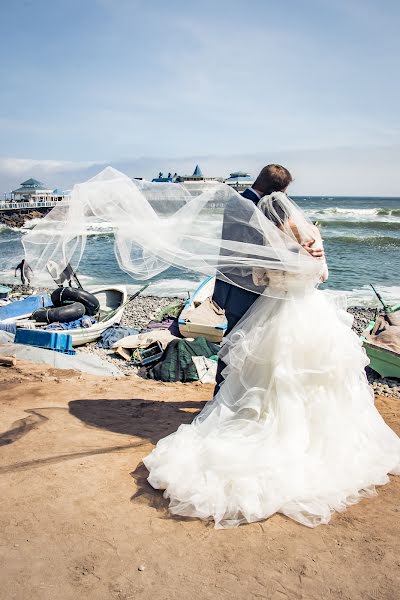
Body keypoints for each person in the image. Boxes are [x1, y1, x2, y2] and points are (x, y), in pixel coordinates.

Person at [22, 166, 400, 529]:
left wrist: (272, 269)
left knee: (249, 357)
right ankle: (232, 405)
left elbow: (259, 271)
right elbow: (300, 270)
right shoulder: (294, 230)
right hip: (278, 305)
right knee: (276, 364)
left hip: (263, 300)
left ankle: (228, 406)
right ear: (283, 194)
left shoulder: (258, 217)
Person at [212, 164, 323, 394]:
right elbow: (260, 250)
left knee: (251, 347)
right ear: (278, 190)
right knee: (236, 343)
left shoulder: (237, 202)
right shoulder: (247, 208)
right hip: (241, 288)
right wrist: (301, 252)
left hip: (252, 288)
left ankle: (240, 396)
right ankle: (222, 396)